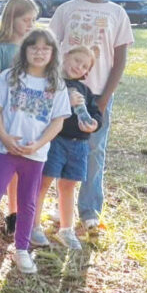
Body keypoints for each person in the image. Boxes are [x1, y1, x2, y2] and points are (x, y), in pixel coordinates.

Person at [0, 29, 71, 277]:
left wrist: (37, 145)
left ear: (52, 54)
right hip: (5, 151)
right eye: (34, 47)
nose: (39, 53)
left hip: (34, 155)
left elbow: (58, 122)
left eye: (45, 49)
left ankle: (21, 249)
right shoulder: (9, 77)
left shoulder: (57, 85)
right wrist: (4, 137)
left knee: (27, 203)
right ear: (25, 50)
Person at [48, 0, 133, 233]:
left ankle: (89, 210)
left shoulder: (117, 13)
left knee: (94, 151)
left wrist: (105, 97)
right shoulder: (66, 10)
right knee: (58, 148)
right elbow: (50, 48)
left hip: (97, 93)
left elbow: (119, 60)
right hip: (64, 91)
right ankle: (60, 208)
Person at [32, 46, 102, 249]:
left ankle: (66, 229)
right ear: (65, 57)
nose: (78, 67)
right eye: (76, 60)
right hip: (55, 141)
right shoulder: (52, 82)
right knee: (43, 183)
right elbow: (41, 106)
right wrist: (65, 100)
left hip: (78, 145)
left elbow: (96, 113)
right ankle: (33, 226)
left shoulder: (85, 91)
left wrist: (93, 124)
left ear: (86, 72)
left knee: (68, 186)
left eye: (84, 66)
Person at [0, 0, 39, 234]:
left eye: (34, 20)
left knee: (18, 164)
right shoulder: (0, 48)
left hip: (24, 117)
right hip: (0, 114)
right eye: (26, 20)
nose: (31, 25)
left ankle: (13, 213)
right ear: (12, 19)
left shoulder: (33, 49)